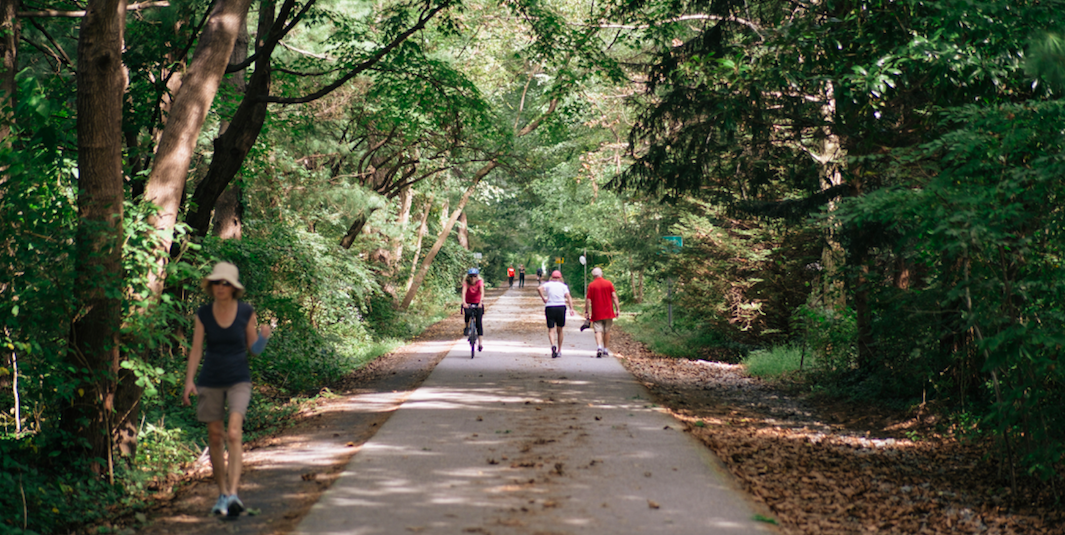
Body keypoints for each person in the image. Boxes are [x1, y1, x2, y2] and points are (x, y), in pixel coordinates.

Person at [183, 262, 271, 517]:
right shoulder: (204, 313)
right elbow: (196, 349)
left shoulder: (246, 312)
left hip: (238, 380)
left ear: (233, 288)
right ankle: (222, 494)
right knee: (214, 437)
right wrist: (190, 381)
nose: (220, 287)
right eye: (216, 282)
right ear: (211, 286)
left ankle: (233, 494)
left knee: (233, 433)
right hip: (210, 380)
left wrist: (264, 337)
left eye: (225, 283)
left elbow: (253, 350)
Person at [537, 270, 575, 358]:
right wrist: (571, 308)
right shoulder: (563, 286)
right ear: (560, 277)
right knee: (560, 329)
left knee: (551, 329)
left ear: (552, 277)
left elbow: (539, 288)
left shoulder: (548, 284)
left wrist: (543, 298)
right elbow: (568, 296)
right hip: (561, 307)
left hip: (550, 307)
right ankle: (559, 350)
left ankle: (553, 345)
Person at [584, 267, 620, 358]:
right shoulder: (608, 283)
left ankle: (599, 347)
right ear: (602, 274)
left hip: (597, 312)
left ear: (593, 276)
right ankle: (605, 349)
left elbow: (588, 300)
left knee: (598, 331)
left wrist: (586, 311)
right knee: (607, 330)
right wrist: (617, 309)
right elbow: (614, 297)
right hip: (608, 312)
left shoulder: (591, 285)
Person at [461, 268, 485, 351]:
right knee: (467, 314)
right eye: (471, 276)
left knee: (479, 323)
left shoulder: (480, 282)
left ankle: (480, 343)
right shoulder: (466, 283)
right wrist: (464, 302)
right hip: (469, 302)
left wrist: (480, 303)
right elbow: (463, 292)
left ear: (477, 276)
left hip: (478, 303)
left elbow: (482, 292)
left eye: (474, 276)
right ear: (468, 276)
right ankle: (467, 327)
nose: (473, 278)